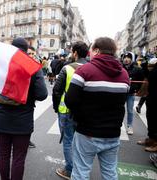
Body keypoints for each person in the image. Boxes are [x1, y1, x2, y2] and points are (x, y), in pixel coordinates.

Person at [65, 37, 129, 180]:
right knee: (110, 173)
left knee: (81, 172)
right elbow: (122, 100)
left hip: (87, 132)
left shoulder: (84, 71)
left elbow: (70, 100)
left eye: (91, 49)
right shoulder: (124, 74)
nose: (89, 53)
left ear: (97, 50)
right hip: (112, 133)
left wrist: (81, 117)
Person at [0, 37, 48, 180]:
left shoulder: (1, 65)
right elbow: (42, 94)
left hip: (1, 117)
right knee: (19, 158)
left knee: (3, 155)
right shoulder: (33, 66)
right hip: (23, 119)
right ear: (26, 49)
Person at [52, 41, 88, 179]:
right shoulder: (92, 68)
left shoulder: (67, 68)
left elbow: (56, 91)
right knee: (81, 141)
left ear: (75, 53)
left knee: (68, 140)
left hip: (66, 111)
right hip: (85, 112)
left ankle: (70, 169)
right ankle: (81, 169)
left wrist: (56, 107)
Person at [122, 52, 145, 135]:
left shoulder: (137, 69)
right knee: (120, 109)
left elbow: (141, 80)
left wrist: (137, 90)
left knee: (130, 110)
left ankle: (129, 126)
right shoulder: (120, 68)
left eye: (128, 57)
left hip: (131, 93)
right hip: (121, 93)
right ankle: (118, 125)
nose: (126, 59)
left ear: (131, 59)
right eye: (125, 57)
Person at [138, 58, 157, 152]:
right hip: (151, 98)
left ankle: (155, 143)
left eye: (151, 66)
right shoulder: (153, 71)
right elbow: (147, 75)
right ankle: (151, 139)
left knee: (155, 120)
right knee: (150, 118)